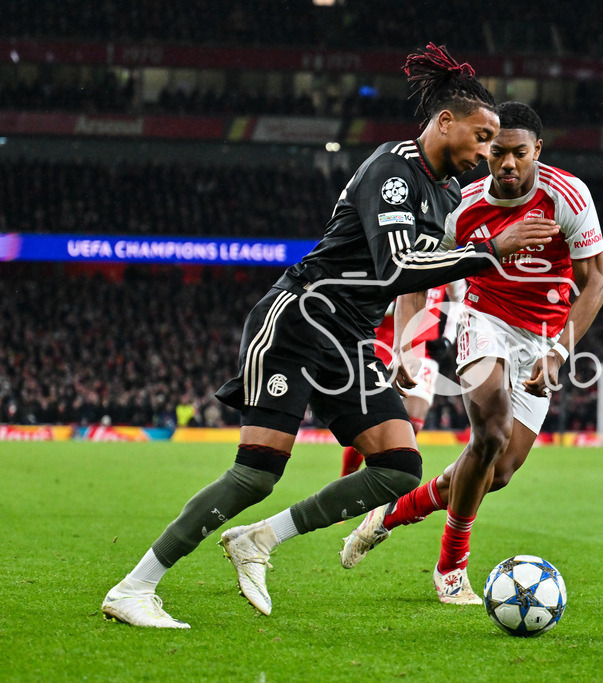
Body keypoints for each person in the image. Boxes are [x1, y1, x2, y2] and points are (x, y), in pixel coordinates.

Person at [100, 45, 560, 629]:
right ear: (446, 121)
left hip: (350, 338)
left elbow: (419, 276)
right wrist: (490, 250)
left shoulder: (445, 196)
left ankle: (259, 540)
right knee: (255, 473)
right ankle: (135, 588)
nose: (486, 151)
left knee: (398, 466)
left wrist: (408, 343)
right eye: (481, 135)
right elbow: (397, 267)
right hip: (298, 321)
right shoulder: (391, 172)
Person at [340, 101, 603, 604]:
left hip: (543, 340)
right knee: (491, 428)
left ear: (537, 151)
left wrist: (558, 353)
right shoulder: (462, 205)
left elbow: (595, 283)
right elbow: (414, 275)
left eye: (519, 154)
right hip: (483, 319)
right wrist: (405, 344)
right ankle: (451, 568)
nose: (507, 164)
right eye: (497, 152)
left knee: (497, 470)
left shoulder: (569, 196)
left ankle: (393, 513)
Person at [339, 280, 465, 477]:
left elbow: (459, 297)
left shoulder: (449, 256)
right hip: (384, 348)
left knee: (413, 424)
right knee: (367, 427)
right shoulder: (397, 254)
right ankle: (346, 483)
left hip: (424, 352)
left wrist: (448, 338)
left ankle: (390, 488)